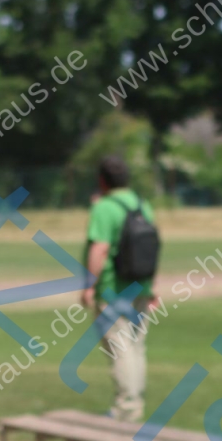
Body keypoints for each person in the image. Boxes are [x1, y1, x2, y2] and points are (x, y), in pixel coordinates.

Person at [79, 155, 159, 422]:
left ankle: (126, 408)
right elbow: (150, 247)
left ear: (102, 180)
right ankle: (134, 404)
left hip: (114, 289)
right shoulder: (142, 205)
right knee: (136, 346)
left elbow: (99, 248)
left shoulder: (104, 207)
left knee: (120, 348)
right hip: (141, 286)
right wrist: (151, 286)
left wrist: (89, 285)